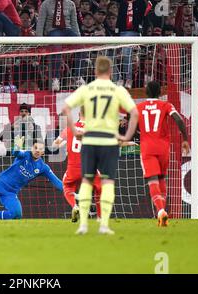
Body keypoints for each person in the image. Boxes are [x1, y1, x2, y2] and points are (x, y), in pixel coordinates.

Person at [62, 56, 138, 235]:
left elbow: (66, 108)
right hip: (107, 140)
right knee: (107, 183)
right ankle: (103, 225)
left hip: (89, 140)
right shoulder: (117, 89)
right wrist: (126, 136)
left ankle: (83, 225)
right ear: (110, 72)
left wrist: (74, 129)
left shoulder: (86, 89)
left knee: (87, 182)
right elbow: (134, 113)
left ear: (95, 71)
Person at [137, 81, 190, 227]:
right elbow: (178, 119)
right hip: (163, 148)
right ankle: (161, 216)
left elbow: (132, 126)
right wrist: (185, 139)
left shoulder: (139, 107)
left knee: (152, 180)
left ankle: (161, 211)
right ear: (160, 92)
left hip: (147, 147)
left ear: (146, 92)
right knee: (161, 179)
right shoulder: (166, 105)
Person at [53, 106, 102, 222]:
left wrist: (65, 143)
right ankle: (100, 217)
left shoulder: (69, 128)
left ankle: (75, 206)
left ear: (79, 114)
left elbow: (55, 144)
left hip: (73, 168)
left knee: (67, 187)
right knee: (99, 189)